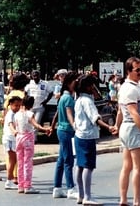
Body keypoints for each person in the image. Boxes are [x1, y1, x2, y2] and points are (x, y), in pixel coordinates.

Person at [74, 74, 116, 204]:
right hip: (88, 136)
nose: (94, 87)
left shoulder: (79, 99)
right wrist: (108, 127)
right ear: (87, 86)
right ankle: (87, 196)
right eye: (92, 85)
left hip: (79, 135)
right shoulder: (87, 101)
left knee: (80, 165)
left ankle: (80, 194)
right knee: (88, 166)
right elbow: (95, 118)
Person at [116, 57, 140, 206]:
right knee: (138, 168)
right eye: (137, 70)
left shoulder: (125, 87)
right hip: (134, 128)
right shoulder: (132, 89)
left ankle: (123, 199)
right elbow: (134, 112)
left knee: (127, 166)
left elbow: (120, 111)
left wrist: (116, 125)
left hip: (125, 129)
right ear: (129, 71)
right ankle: (137, 201)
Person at [14, 96, 52, 194]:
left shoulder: (17, 114)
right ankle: (28, 185)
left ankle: (20, 185)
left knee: (20, 163)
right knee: (28, 163)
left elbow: (16, 126)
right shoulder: (30, 114)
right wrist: (45, 129)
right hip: (28, 139)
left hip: (19, 138)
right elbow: (36, 125)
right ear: (31, 105)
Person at [52, 71, 80, 199]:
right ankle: (71, 188)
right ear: (70, 83)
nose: (77, 83)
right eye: (76, 81)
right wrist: (74, 125)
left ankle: (57, 187)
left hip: (61, 130)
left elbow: (57, 114)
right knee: (68, 159)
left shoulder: (63, 97)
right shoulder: (68, 98)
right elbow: (69, 114)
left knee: (61, 159)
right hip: (66, 131)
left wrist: (52, 126)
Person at [2, 96, 21, 190]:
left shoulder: (16, 114)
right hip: (9, 138)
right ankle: (9, 180)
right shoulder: (10, 114)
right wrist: (14, 131)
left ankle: (10, 179)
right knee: (12, 160)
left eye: (19, 106)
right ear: (11, 105)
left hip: (13, 139)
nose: (17, 107)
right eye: (16, 105)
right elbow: (10, 124)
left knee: (14, 160)